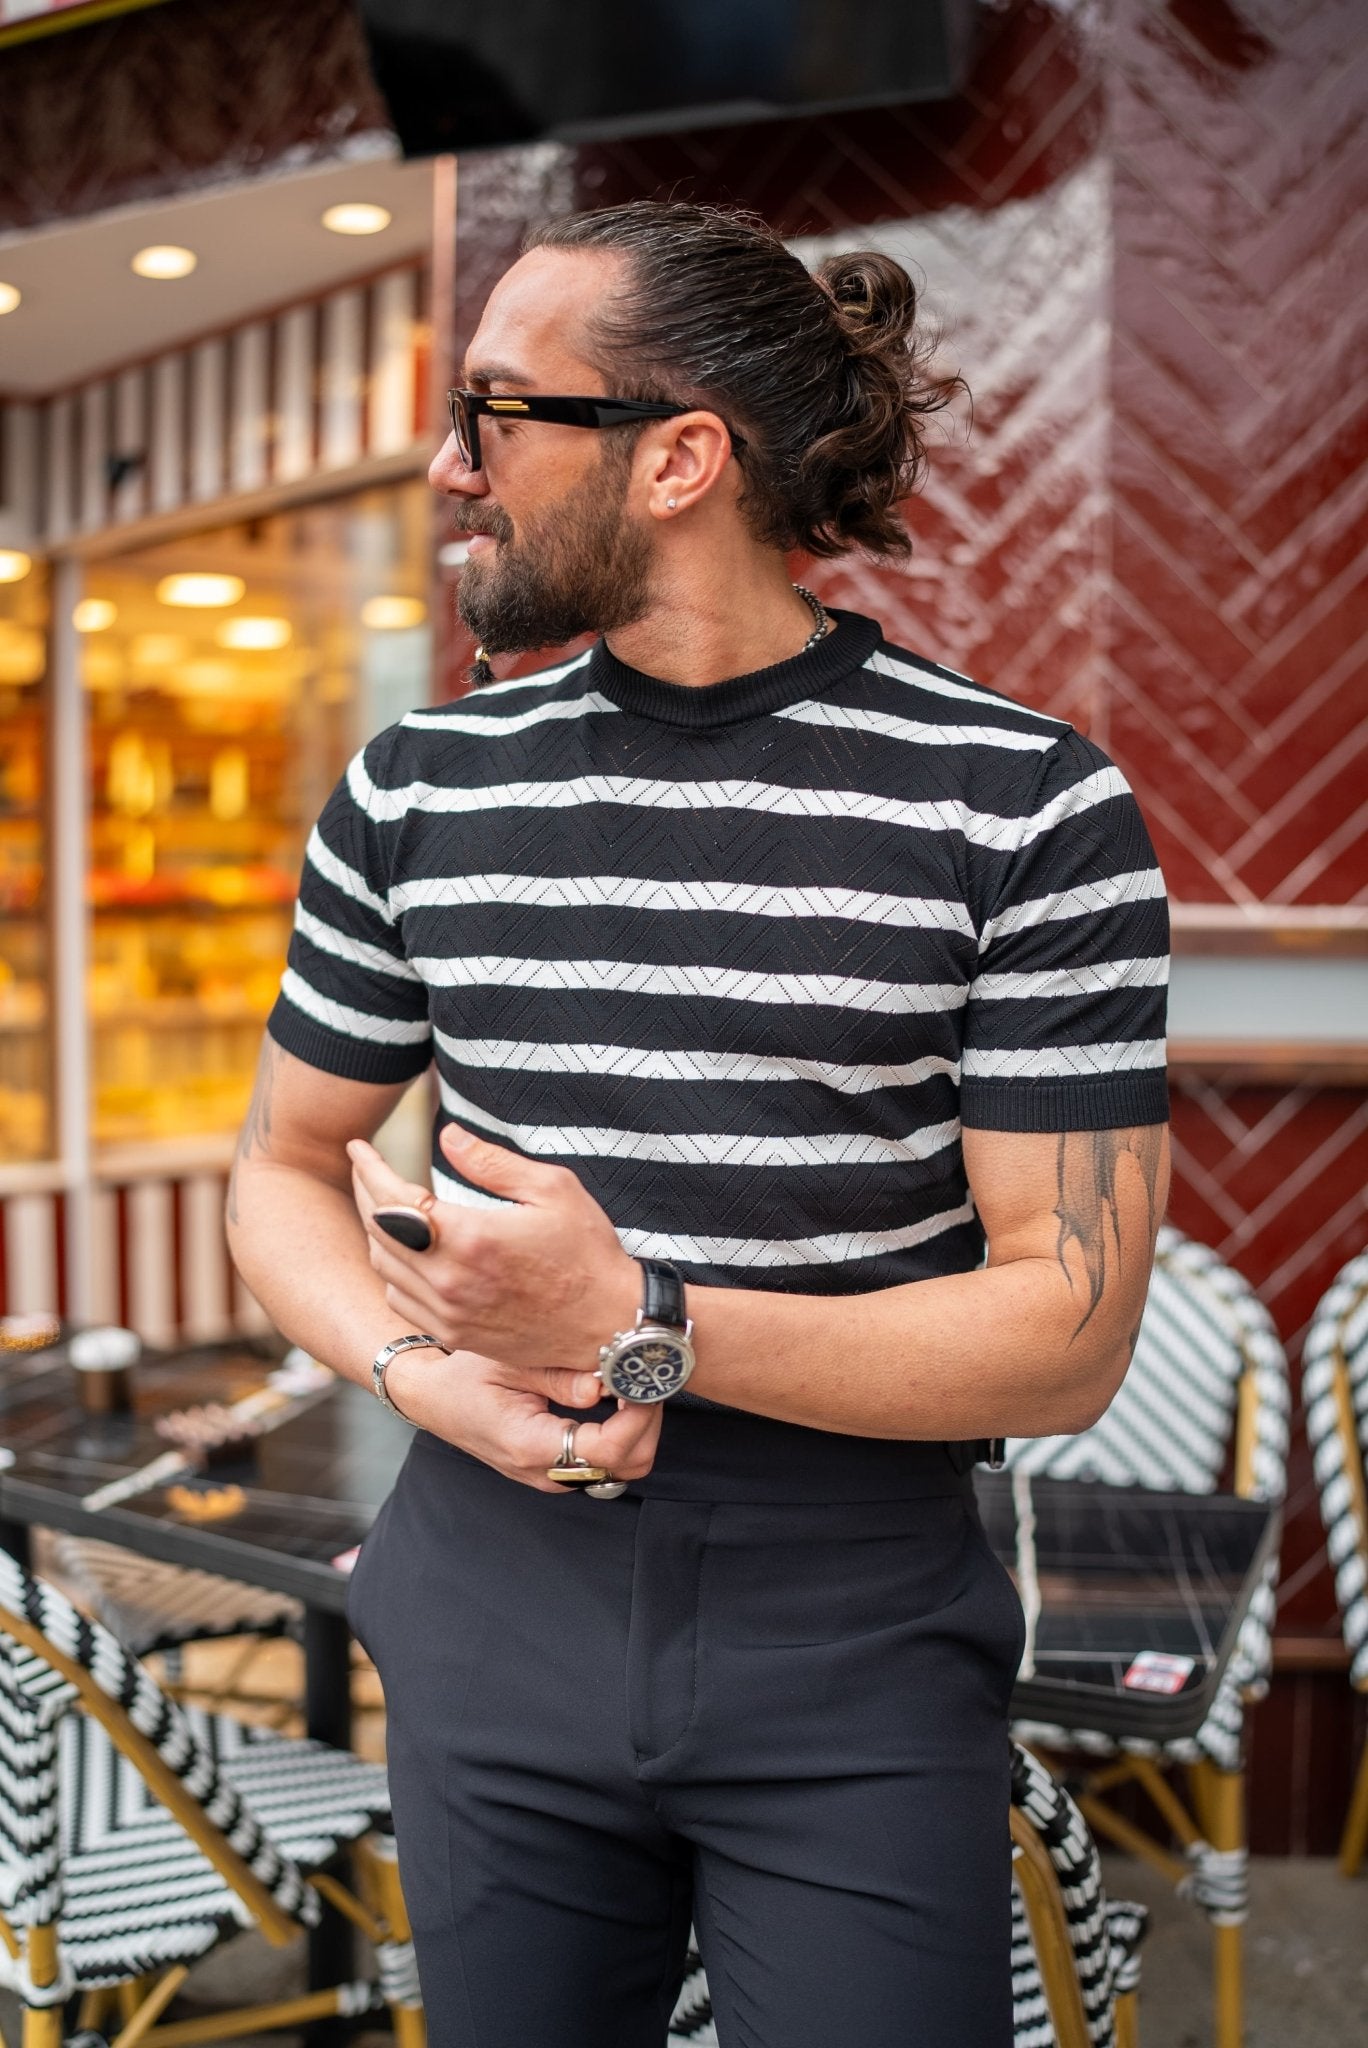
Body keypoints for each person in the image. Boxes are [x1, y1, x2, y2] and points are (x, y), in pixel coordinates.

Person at [227, 200, 1170, 2048]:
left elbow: (1071, 1332)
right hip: (485, 1588)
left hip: (857, 1644)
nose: (448, 462)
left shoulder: (1025, 807)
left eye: (499, 411)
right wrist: (429, 1380)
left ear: (677, 457)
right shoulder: (419, 786)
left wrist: (636, 1322)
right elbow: (275, 1172)